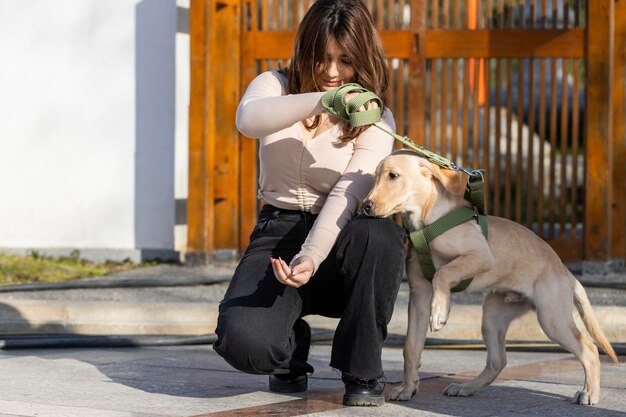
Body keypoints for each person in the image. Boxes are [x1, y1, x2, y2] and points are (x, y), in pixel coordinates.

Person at [213, 0, 406, 407]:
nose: (332, 72)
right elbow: (248, 120)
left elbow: (347, 194)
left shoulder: (375, 116)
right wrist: (321, 101)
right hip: (277, 232)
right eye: (321, 58)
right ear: (305, 51)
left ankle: (362, 369)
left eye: (345, 60)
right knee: (244, 345)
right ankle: (290, 344)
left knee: (380, 235)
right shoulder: (274, 85)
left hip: (344, 238)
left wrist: (313, 256)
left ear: (363, 60)